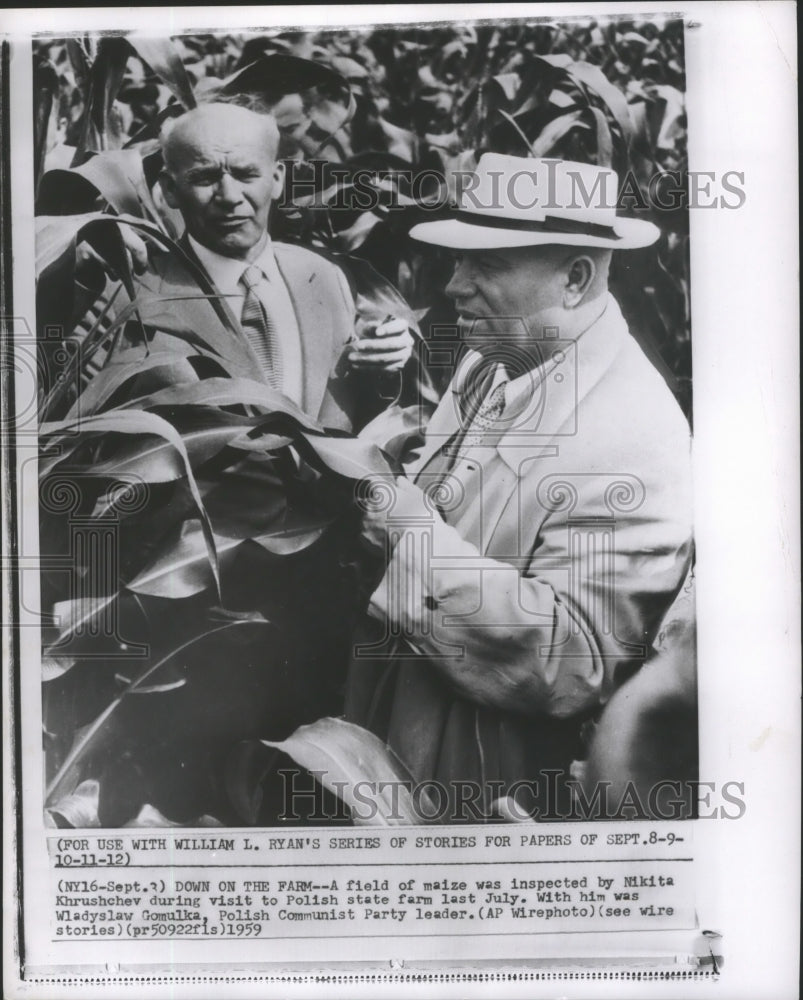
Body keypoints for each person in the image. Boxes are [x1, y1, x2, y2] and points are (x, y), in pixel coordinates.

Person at [345, 153, 695, 822]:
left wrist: (407, 537)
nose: (453, 286)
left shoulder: (632, 436)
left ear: (574, 278)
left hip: (485, 790)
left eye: (487, 266)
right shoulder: (496, 356)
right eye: (456, 262)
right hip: (406, 723)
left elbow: (574, 661)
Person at [37, 102, 415, 431]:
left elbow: (352, 412)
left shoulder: (321, 276)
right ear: (169, 189)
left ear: (277, 179)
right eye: (204, 177)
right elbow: (58, 407)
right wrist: (68, 277)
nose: (230, 197)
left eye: (246, 174)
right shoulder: (129, 290)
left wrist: (383, 367)